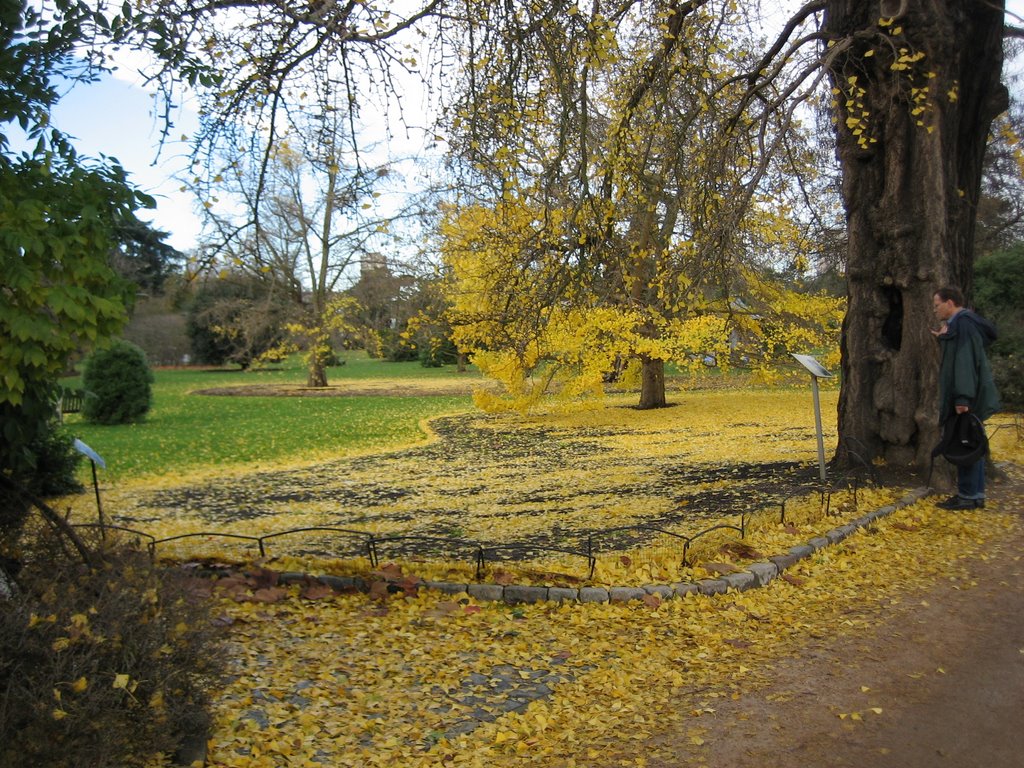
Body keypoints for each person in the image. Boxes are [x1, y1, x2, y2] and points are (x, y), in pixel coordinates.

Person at [931, 286, 1000, 509]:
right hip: (972, 394)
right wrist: (945, 338)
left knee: (965, 442)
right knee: (972, 441)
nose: (935, 310)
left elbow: (964, 362)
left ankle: (968, 496)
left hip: (967, 397)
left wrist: (962, 398)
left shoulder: (963, 325)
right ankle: (974, 494)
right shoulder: (962, 325)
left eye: (937, 305)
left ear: (949, 303)